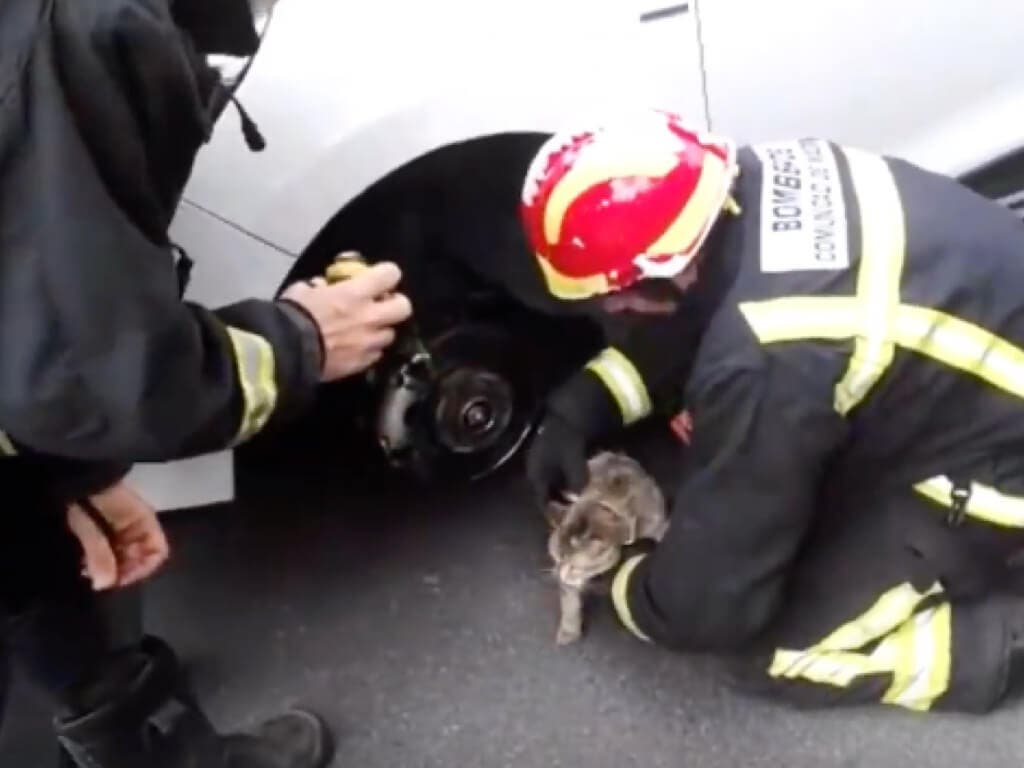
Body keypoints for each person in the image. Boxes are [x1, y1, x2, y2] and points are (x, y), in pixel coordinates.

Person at [1, 1, 412, 766]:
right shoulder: (66, 31)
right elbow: (108, 380)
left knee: (45, 594)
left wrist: (64, 474)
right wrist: (303, 342)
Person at [521, 108, 1024, 714]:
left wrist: (624, 572)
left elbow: (707, 608)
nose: (617, 307)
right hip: (978, 367)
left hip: (998, 458)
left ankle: (1001, 641)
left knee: (781, 647)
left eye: (616, 294)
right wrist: (580, 408)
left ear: (668, 267)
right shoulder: (751, 178)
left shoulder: (766, 358)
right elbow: (690, 314)